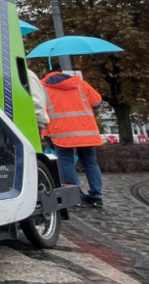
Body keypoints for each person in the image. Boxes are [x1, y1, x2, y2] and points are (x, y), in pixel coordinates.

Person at [41, 70, 104, 208]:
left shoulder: (42, 87)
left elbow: (40, 109)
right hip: (86, 131)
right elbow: (97, 101)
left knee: (66, 162)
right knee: (90, 162)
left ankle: (75, 196)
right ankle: (96, 197)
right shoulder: (80, 83)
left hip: (61, 132)